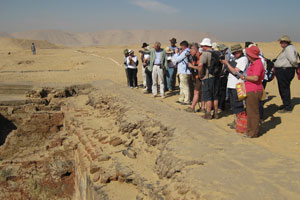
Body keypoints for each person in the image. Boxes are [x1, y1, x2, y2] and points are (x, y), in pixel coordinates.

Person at [220, 44, 248, 129]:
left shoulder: (244, 59)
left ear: (240, 51)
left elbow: (236, 71)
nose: (235, 54)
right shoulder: (236, 58)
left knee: (239, 104)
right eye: (234, 53)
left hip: (239, 84)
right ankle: (236, 121)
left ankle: (241, 122)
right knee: (234, 104)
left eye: (236, 52)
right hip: (232, 85)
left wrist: (227, 63)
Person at [239, 45, 265, 138]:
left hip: (254, 90)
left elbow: (255, 77)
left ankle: (253, 132)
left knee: (253, 112)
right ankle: (250, 131)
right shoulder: (253, 63)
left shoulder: (258, 63)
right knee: (250, 112)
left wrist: (244, 77)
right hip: (250, 89)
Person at [274, 35, 298, 113]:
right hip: (284, 71)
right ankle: (285, 104)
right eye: (281, 42)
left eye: (284, 42)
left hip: (285, 71)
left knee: (284, 89)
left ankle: (287, 107)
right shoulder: (288, 48)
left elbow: (293, 60)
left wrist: (295, 66)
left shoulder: (289, 48)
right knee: (283, 88)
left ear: (287, 42)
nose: (282, 44)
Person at [199, 38, 221, 119]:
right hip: (216, 77)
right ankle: (216, 113)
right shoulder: (217, 53)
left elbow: (200, 65)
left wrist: (200, 75)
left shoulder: (205, 54)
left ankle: (208, 113)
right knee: (215, 96)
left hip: (207, 77)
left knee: (208, 96)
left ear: (205, 46)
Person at [185, 43, 203, 112]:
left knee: (196, 92)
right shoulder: (195, 57)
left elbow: (201, 68)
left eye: (191, 50)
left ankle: (192, 107)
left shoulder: (201, 57)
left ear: (195, 50)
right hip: (198, 77)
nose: (190, 52)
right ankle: (203, 108)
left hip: (201, 77)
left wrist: (192, 66)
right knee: (200, 93)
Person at [174, 41, 192, 105]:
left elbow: (177, 59)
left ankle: (187, 100)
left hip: (184, 71)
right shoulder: (188, 51)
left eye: (181, 46)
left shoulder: (185, 52)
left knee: (185, 86)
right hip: (184, 71)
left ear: (183, 46)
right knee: (181, 86)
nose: (180, 48)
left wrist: (176, 53)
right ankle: (181, 99)